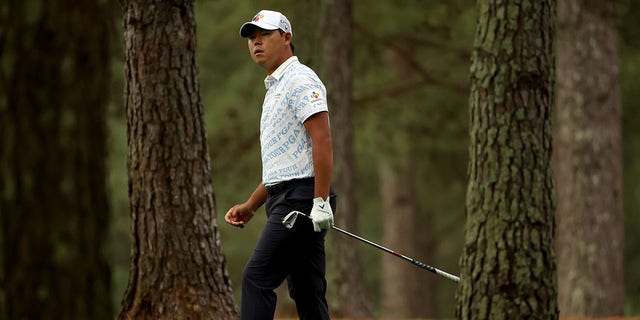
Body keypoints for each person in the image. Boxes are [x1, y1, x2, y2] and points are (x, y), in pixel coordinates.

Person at [224, 9, 337, 320]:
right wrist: (251, 205)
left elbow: (322, 139)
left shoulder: (300, 79)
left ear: (286, 38)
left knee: (256, 278)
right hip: (289, 198)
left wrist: (321, 199)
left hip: (301, 201)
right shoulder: (274, 88)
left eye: (265, 36)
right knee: (307, 292)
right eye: (252, 39)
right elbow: (284, 166)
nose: (256, 43)